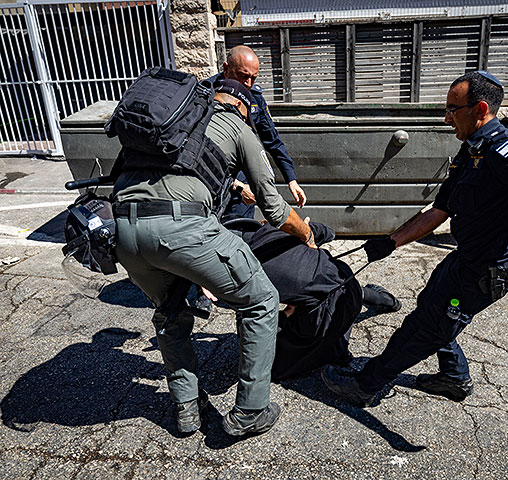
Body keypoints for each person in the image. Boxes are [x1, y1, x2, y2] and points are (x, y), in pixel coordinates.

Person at [321, 71, 508, 407]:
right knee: (434, 303)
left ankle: (367, 384)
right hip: (467, 259)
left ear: (480, 108)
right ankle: (453, 376)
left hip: (487, 271)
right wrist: (390, 242)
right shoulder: (471, 150)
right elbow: (439, 211)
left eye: (453, 109)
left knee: (426, 327)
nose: (446, 117)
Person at [112, 78, 316, 436]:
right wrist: (306, 234)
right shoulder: (238, 126)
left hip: (124, 232)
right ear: (245, 108)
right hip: (182, 226)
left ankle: (187, 409)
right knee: (262, 301)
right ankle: (252, 409)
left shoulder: (175, 125)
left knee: (171, 313)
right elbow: (273, 207)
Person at [224, 219, 402, 381]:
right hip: (342, 281)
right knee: (330, 286)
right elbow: (327, 231)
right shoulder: (272, 228)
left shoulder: (239, 277)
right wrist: (306, 235)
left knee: (270, 368)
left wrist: (286, 313)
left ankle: (336, 351)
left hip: (336, 304)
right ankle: (382, 299)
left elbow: (255, 321)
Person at [208, 45, 307, 219]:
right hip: (211, 186)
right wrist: (235, 184)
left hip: (243, 190)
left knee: (243, 233)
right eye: (243, 76)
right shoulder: (204, 95)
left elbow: (273, 141)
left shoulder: (254, 98)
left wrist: (291, 179)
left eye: (253, 78)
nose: (248, 84)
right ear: (226, 68)